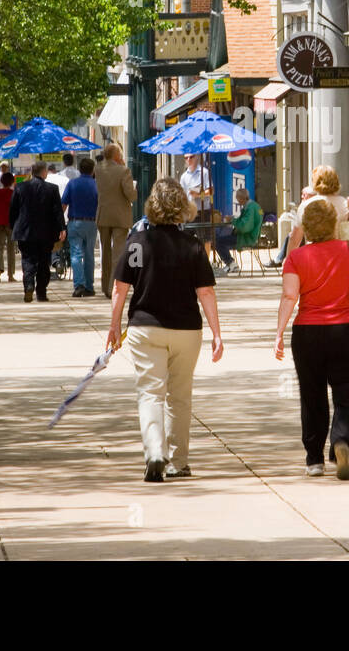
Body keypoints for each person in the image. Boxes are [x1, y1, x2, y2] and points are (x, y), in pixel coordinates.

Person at [108, 178, 224, 482]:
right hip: (187, 330)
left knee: (150, 392)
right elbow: (206, 292)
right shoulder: (193, 246)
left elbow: (120, 288)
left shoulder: (137, 243)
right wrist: (217, 332)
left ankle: (155, 452)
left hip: (146, 328)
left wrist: (114, 325)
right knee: (180, 396)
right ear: (182, 208)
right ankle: (179, 461)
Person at [273, 199, 349, 480]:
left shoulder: (295, 258)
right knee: (345, 394)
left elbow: (289, 296)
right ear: (334, 224)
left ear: (306, 228)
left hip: (308, 334)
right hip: (346, 331)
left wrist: (279, 332)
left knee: (312, 394)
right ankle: (341, 440)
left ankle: (314, 459)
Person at [9, 160, 66, 302]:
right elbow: (58, 211)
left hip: (25, 232)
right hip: (46, 233)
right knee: (43, 262)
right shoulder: (52, 189)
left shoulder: (20, 187)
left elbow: (13, 210)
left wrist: (14, 227)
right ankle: (41, 292)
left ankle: (28, 285)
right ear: (44, 172)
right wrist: (62, 228)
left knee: (28, 260)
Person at [284, 166, 349, 257]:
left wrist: (289, 261)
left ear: (315, 182)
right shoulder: (347, 203)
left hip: (314, 257)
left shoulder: (306, 205)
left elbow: (294, 239)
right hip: (341, 256)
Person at [95, 142, 138, 299]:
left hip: (103, 215)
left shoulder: (98, 169)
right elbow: (130, 194)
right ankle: (113, 286)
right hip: (120, 216)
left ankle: (105, 286)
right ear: (116, 156)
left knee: (105, 253)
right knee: (118, 253)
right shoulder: (123, 170)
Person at [62, 156, 98, 297]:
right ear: (92, 170)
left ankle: (79, 285)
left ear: (79, 169)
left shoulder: (72, 184)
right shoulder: (96, 185)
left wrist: (60, 224)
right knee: (89, 255)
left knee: (76, 254)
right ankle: (89, 286)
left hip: (75, 222)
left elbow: (63, 205)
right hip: (91, 223)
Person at [213, 187, 263, 277]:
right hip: (251, 235)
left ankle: (231, 263)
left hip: (247, 238)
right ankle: (230, 263)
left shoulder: (250, 208)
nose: (238, 202)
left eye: (238, 199)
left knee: (218, 241)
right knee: (221, 239)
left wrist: (233, 220)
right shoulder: (254, 206)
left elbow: (245, 226)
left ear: (242, 198)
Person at [0, 171, 16, 283]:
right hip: (11, 224)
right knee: (11, 249)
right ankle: (10, 275)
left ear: (1, 181)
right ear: (12, 181)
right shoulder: (14, 193)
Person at [179, 154, 213, 222]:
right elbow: (181, 195)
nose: (188, 159)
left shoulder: (204, 172)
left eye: (191, 157)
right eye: (186, 158)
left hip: (203, 212)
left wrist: (198, 194)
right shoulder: (183, 177)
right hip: (189, 212)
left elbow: (211, 191)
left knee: (203, 232)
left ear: (197, 157)